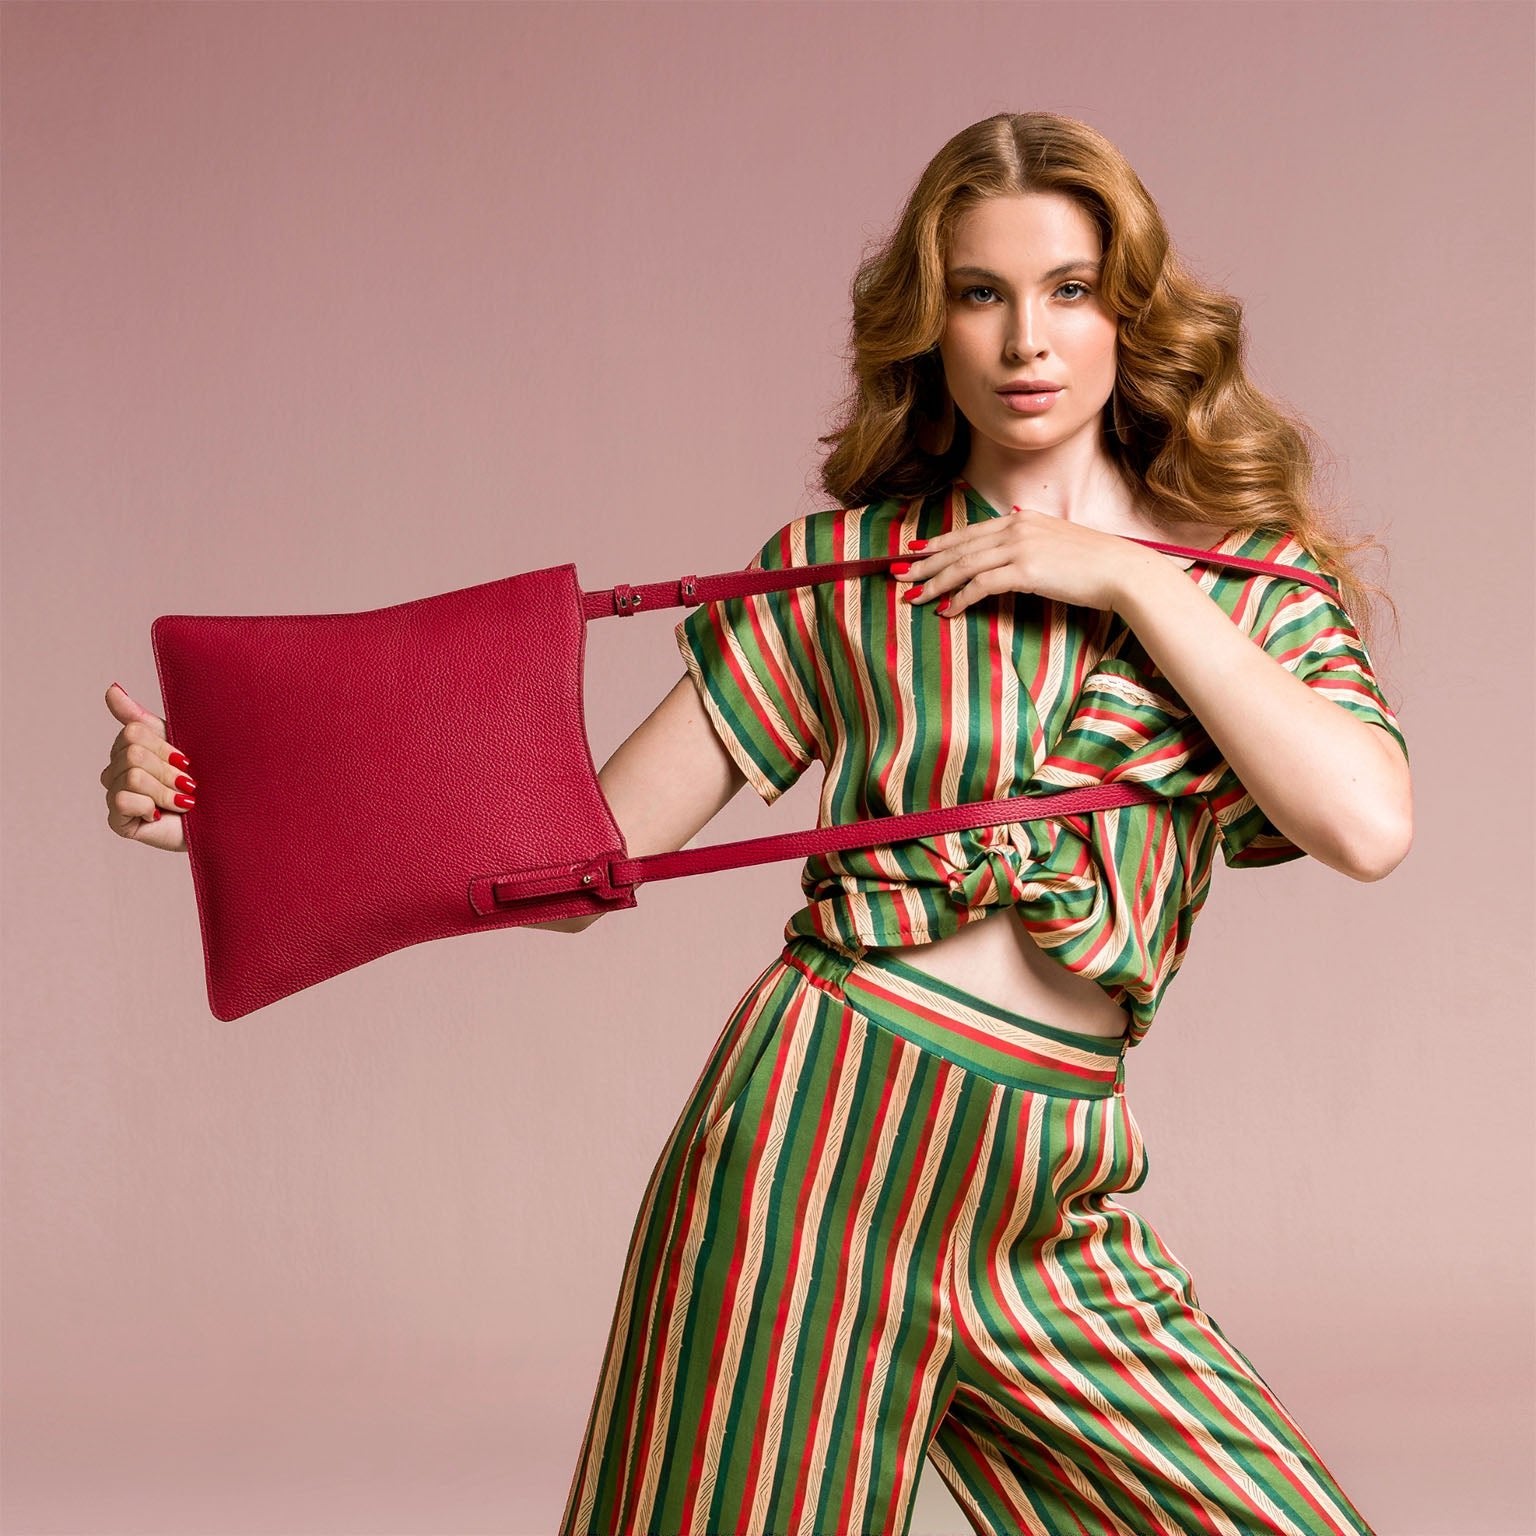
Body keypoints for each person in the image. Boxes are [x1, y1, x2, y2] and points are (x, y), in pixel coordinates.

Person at [102, 111, 1411, 1536]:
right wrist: (237, 816)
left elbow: (1366, 822)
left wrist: (1127, 580)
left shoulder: (1250, 588)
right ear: (933, 324)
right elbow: (587, 851)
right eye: (982, 293)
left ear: (1128, 313)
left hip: (1048, 1186)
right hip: (809, 1150)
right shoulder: (847, 572)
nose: (1027, 338)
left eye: (1070, 290)